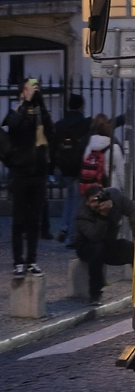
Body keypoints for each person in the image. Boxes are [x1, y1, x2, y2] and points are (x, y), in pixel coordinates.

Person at [2, 78, 54, 275]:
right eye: (29, 88)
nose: (33, 91)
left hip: (39, 172)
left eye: (35, 88)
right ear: (22, 92)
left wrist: (40, 104)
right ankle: (18, 261)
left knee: (35, 220)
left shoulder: (42, 113)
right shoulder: (16, 111)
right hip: (20, 173)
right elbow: (13, 127)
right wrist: (26, 105)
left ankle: (32, 260)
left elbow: (52, 131)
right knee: (18, 220)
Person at [74, 185, 135, 306]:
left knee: (133, 249)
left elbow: (133, 211)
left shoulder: (116, 198)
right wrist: (103, 215)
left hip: (109, 242)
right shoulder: (82, 213)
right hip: (86, 245)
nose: (97, 204)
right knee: (97, 249)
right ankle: (95, 294)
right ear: (87, 203)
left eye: (99, 199)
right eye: (93, 201)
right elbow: (94, 237)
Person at [53, 93, 91, 246]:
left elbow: (54, 146)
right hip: (79, 165)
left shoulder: (60, 124)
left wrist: (54, 166)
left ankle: (64, 226)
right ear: (81, 106)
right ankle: (70, 235)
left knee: (69, 197)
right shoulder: (84, 123)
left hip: (65, 166)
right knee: (76, 200)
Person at [80, 113, 125, 193]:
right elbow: (121, 173)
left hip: (94, 190)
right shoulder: (114, 148)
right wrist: (125, 188)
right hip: (112, 188)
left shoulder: (90, 146)